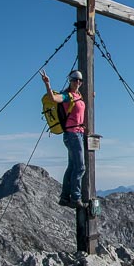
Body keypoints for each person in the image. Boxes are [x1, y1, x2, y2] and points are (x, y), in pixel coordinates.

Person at [40, 69, 86, 209]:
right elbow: (54, 99)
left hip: (77, 133)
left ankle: (65, 197)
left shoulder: (79, 96)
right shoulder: (67, 96)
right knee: (80, 167)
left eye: (79, 80)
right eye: (74, 79)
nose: (77, 82)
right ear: (70, 80)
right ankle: (75, 198)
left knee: (72, 166)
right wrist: (48, 84)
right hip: (72, 135)